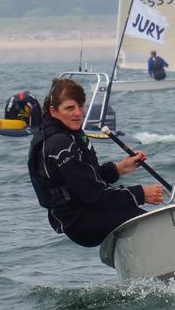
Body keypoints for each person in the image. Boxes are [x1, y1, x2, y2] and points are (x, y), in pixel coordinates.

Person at [28, 77, 164, 247]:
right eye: (69, 108)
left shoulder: (67, 133)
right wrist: (140, 194)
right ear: (54, 111)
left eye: (80, 106)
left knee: (143, 218)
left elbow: (85, 179)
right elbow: (94, 194)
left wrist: (119, 168)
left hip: (87, 212)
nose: (78, 113)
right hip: (80, 222)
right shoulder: (59, 144)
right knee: (149, 223)